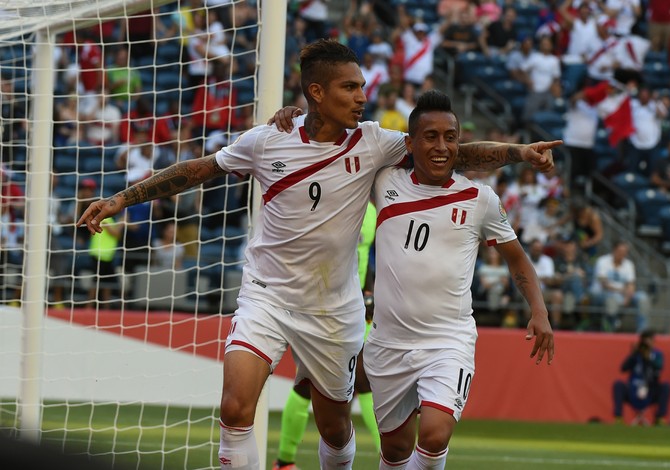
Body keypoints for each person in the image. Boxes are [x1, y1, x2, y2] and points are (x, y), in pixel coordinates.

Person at [78, 39, 558, 470]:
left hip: (333, 310)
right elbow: (200, 168)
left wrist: (518, 153)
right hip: (266, 294)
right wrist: (122, 198)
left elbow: (448, 152)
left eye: (362, 87)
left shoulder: (372, 143)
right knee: (235, 408)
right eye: (350, 87)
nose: (362, 97)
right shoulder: (268, 141)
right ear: (316, 92)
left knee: (334, 429)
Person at [363, 90, 554, 469]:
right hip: (388, 342)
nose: (441, 146)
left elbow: (517, 259)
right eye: (430, 137)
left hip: (448, 341)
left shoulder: (480, 199)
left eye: (450, 137)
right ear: (410, 143)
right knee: (396, 451)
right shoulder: (382, 182)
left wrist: (539, 310)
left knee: (434, 435)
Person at [273, 201, 379, 470]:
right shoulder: (325, 202)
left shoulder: (371, 212)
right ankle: (285, 460)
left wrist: (370, 292)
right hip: (318, 306)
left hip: (356, 307)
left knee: (365, 380)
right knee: (306, 385)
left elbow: (365, 257)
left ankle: (392, 458)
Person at [613, 329, 670, 425]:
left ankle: (660, 418)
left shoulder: (657, 354)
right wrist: (633, 354)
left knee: (666, 387)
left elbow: (659, 367)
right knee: (618, 385)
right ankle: (618, 417)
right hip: (633, 389)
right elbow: (623, 368)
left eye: (650, 341)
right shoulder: (636, 355)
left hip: (650, 390)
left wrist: (648, 358)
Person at [589, 240, 650, 332]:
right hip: (601, 294)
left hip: (623, 294)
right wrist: (622, 291)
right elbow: (604, 284)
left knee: (643, 298)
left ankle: (642, 331)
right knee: (615, 299)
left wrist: (627, 297)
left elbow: (631, 284)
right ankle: (610, 329)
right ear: (614, 250)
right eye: (620, 252)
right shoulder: (602, 261)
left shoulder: (628, 264)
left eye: (625, 252)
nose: (622, 254)